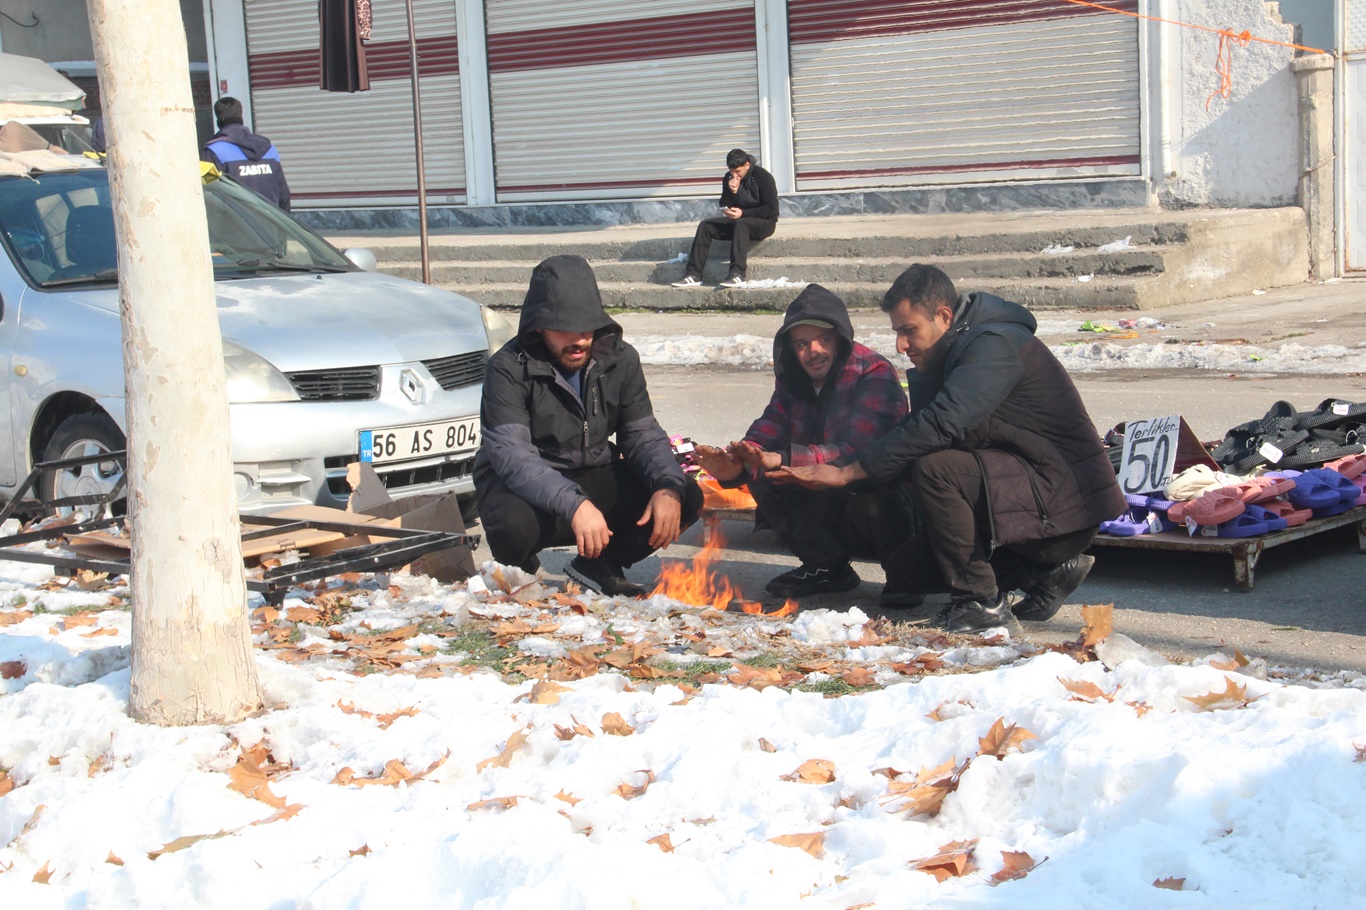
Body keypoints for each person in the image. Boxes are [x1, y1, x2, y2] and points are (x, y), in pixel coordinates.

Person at [772, 264, 1125, 634]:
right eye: (897, 333)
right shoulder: (944, 353)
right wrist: (845, 471)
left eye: (909, 331)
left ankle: (980, 604)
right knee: (907, 573)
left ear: (943, 316)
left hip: (1063, 507)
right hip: (1016, 497)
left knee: (935, 467)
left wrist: (849, 471)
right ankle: (1048, 571)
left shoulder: (995, 344)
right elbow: (913, 433)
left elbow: (941, 424)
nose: (900, 345)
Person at [475, 254, 704, 596]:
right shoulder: (507, 368)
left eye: (586, 327)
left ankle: (601, 564)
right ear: (538, 325)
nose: (579, 339)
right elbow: (514, 458)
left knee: (685, 494)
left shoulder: (620, 359)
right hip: (525, 486)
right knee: (511, 526)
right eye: (564, 329)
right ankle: (521, 573)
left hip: (594, 471)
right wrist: (575, 504)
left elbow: (641, 435)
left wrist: (667, 485)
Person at [692, 284, 907, 598]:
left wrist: (782, 458)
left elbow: (859, 451)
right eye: (802, 344)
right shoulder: (792, 378)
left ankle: (903, 575)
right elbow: (767, 430)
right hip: (827, 502)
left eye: (824, 340)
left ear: (841, 339)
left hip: (881, 506)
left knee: (873, 478)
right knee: (764, 473)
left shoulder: (873, 372)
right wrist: (735, 466)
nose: (814, 352)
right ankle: (826, 567)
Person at [671, 148, 778, 289]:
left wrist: (743, 213)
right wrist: (732, 193)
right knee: (706, 225)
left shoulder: (763, 177)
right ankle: (693, 274)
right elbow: (724, 204)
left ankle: (737, 273)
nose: (735, 175)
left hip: (764, 223)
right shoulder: (729, 177)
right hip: (739, 222)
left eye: (738, 171)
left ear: (747, 165)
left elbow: (771, 209)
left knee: (742, 223)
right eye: (731, 171)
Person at [200, 97, 291, 211]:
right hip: (269, 225)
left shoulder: (214, 151)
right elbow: (284, 196)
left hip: (235, 227)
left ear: (219, 120)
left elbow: (209, 197)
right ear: (240, 116)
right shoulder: (269, 150)